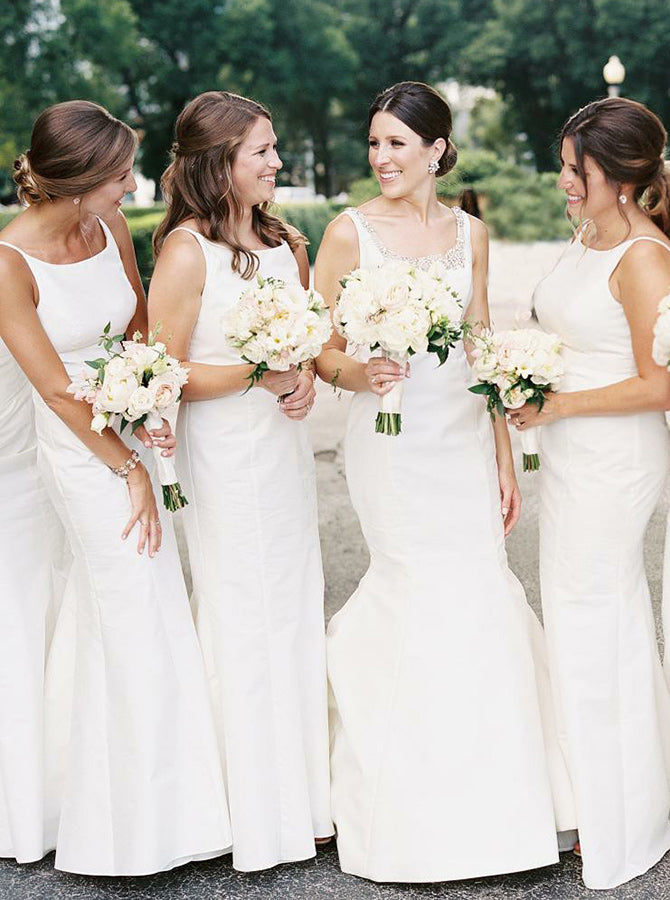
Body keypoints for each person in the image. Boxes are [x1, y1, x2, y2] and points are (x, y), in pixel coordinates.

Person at [315, 80, 575, 883]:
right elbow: (315, 347)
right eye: (373, 143)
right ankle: (408, 811)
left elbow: (480, 342)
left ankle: (499, 807)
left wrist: (501, 449)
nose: (381, 158)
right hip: (389, 443)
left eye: (397, 143)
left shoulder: (472, 233)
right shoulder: (349, 231)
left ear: (436, 150)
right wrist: (363, 373)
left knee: (479, 582)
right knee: (415, 584)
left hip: (462, 433)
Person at [0, 100, 231, 875]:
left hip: (126, 427)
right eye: (119, 174)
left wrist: (153, 402)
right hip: (75, 450)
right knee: (133, 601)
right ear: (75, 181)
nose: (133, 185)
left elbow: (136, 328)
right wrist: (126, 467)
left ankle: (155, 808)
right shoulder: (8, 263)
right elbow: (58, 391)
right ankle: (130, 833)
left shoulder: (104, 233)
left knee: (148, 603)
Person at [148, 90, 332, 872]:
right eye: (261, 150)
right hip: (223, 458)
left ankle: (304, 799)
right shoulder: (186, 250)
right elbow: (162, 370)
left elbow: (310, 348)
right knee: (241, 612)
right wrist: (259, 373)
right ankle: (255, 810)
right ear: (219, 162)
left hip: (282, 454)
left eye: (275, 146)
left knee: (291, 607)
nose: (276, 161)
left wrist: (303, 381)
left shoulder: (286, 243)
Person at [509, 96, 670, 890]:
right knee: (578, 620)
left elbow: (661, 384)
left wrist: (559, 403)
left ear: (622, 173)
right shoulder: (588, 238)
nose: (565, 180)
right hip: (571, 454)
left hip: (615, 458)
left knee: (598, 621)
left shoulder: (642, 257)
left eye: (579, 169)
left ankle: (625, 822)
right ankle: (597, 798)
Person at [0, 338, 70, 865]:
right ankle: (22, 806)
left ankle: (53, 786)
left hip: (41, 451)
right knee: (18, 618)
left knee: (44, 604)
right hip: (17, 456)